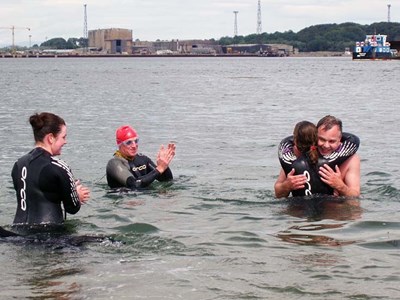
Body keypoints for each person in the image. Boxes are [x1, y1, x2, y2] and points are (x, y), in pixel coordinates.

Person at [11, 112, 90, 231]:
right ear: (51, 138)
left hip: (17, 232)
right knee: (110, 241)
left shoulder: (18, 165)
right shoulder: (58, 166)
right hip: (49, 235)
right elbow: (72, 208)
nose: (65, 142)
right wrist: (76, 195)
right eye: (63, 137)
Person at [275, 116, 360, 198]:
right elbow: (278, 194)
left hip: (333, 208)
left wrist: (340, 186)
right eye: (322, 139)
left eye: (332, 141)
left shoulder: (351, 159)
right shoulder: (298, 153)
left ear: (340, 140)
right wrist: (286, 185)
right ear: (315, 137)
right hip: (300, 207)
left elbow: (355, 197)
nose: (326, 145)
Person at [106, 125, 175, 189]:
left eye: (136, 141)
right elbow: (135, 185)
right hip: (124, 199)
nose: (134, 145)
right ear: (120, 144)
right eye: (128, 142)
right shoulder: (114, 164)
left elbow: (166, 180)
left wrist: (164, 165)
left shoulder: (142, 159)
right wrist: (160, 168)